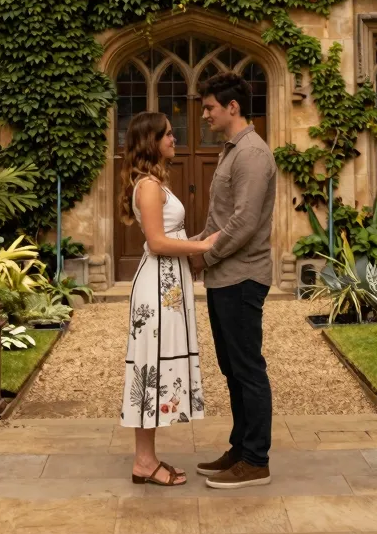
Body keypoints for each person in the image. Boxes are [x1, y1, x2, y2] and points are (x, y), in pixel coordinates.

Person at [119, 110, 220, 487]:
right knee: (150, 369)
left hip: (170, 286)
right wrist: (202, 245)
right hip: (157, 288)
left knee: (159, 368)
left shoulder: (155, 182)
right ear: (151, 142)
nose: (174, 139)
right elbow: (158, 242)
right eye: (167, 135)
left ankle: (148, 459)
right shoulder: (147, 185)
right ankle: (143, 462)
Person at [191, 71, 277, 489]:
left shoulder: (252, 155)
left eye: (209, 107)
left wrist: (204, 257)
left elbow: (243, 223)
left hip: (242, 278)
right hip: (224, 277)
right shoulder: (230, 151)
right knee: (232, 368)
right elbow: (218, 221)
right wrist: (186, 246)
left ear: (232, 107)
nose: (204, 114)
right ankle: (240, 449)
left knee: (247, 369)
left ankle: (256, 460)